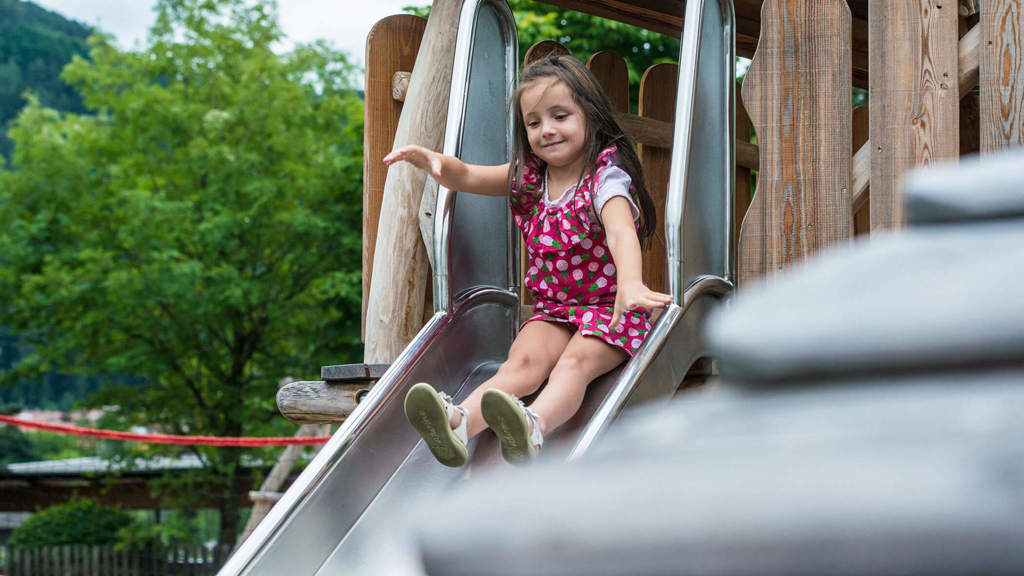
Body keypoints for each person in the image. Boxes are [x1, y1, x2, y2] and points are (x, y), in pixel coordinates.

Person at [383, 54, 672, 467]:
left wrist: (630, 283)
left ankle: (534, 426)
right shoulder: (530, 177)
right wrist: (437, 164)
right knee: (520, 365)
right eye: (534, 123)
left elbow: (620, 231)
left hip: (611, 311)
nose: (546, 130)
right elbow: (468, 176)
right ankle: (459, 423)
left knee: (572, 365)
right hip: (554, 311)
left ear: (590, 116)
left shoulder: (605, 178)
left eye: (560, 116)